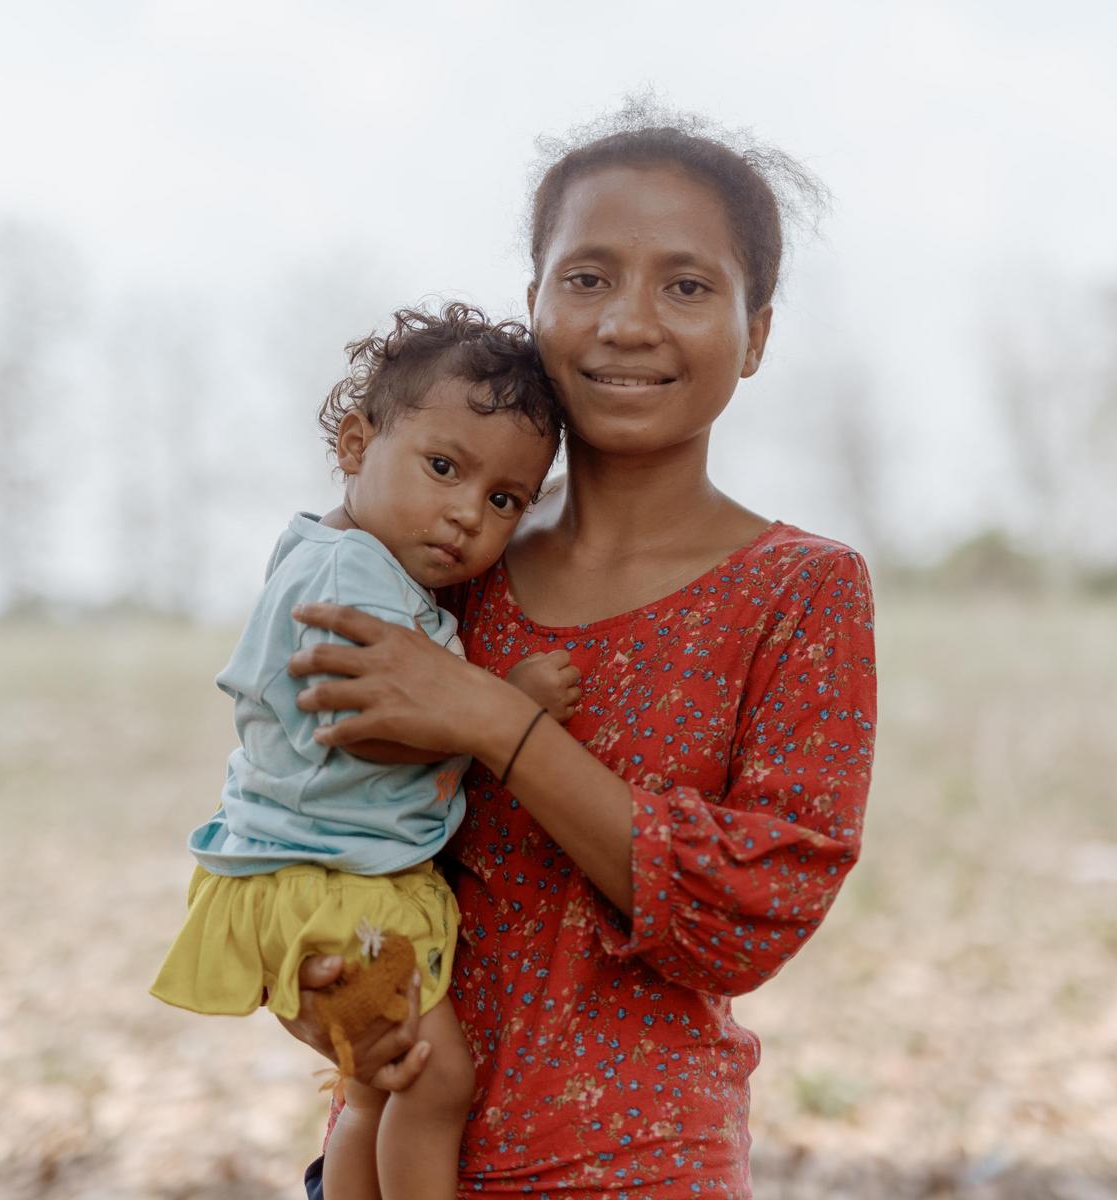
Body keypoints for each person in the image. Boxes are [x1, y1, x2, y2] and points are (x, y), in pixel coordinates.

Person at [283, 106, 877, 1199]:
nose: (629, 323)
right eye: (589, 277)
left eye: (688, 286)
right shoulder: (440, 563)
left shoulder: (802, 592)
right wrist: (323, 1000)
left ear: (757, 335)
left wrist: (491, 721)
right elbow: (303, 816)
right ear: (536, 304)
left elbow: (748, 920)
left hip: (638, 1166)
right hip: (389, 1157)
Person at [151, 303, 578, 1200]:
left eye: (504, 501)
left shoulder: (341, 552)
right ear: (355, 444)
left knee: (375, 1092)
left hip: (318, 874)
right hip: (330, 886)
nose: (467, 515)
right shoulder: (353, 577)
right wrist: (502, 710)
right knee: (434, 1077)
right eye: (442, 467)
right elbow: (366, 726)